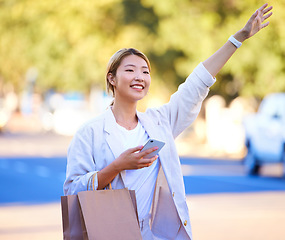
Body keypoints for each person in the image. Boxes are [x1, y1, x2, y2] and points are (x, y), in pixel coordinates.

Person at [64, 3, 273, 240]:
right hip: (111, 233)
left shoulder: (159, 122)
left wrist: (239, 38)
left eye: (145, 72)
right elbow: (72, 191)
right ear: (111, 78)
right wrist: (117, 166)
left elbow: (198, 82)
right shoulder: (90, 132)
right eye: (130, 70)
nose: (139, 77)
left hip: (157, 235)